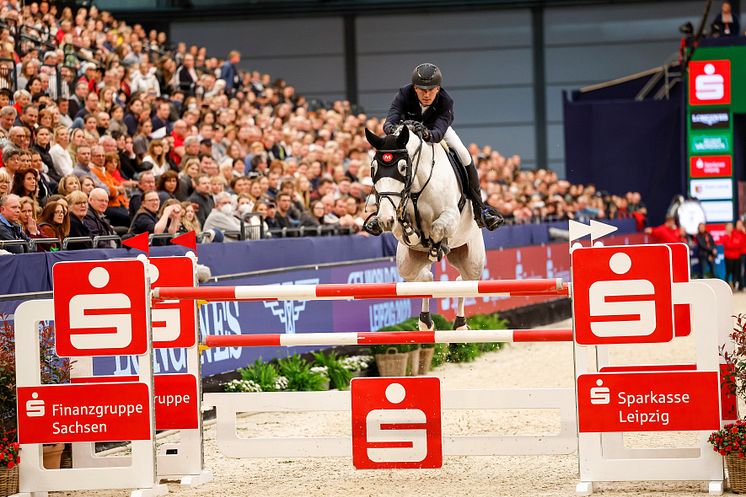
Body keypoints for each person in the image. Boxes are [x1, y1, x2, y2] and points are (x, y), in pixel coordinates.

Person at [365, 63, 503, 235]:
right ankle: (380, 213)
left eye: (431, 89)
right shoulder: (403, 94)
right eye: (422, 90)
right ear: (415, 88)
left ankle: (480, 209)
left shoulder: (446, 101)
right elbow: (390, 119)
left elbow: (438, 132)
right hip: (406, 132)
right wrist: (392, 129)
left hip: (437, 132)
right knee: (387, 160)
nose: (427, 94)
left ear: (438, 88)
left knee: (464, 155)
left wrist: (427, 134)